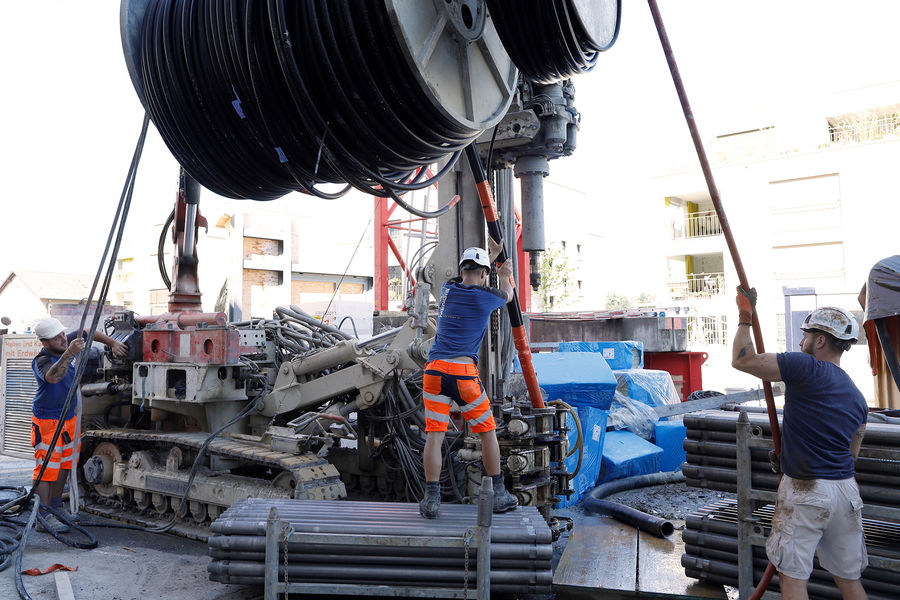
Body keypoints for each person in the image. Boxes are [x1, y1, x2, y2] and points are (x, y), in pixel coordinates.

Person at [731, 288, 868, 600]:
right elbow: (852, 454)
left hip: (807, 491)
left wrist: (745, 316)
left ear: (820, 341)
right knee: (849, 581)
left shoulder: (806, 367)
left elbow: (743, 360)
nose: (800, 342)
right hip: (846, 493)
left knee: (792, 579)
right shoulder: (858, 398)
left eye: (805, 336)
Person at [419, 240, 519, 518]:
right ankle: (498, 493)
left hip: (434, 372)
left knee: (434, 436)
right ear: (484, 274)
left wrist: (490, 258)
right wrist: (503, 272)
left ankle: (431, 499)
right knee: (487, 432)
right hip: (462, 375)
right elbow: (508, 295)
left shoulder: (448, 290)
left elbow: (467, 277)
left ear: (462, 269)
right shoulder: (485, 296)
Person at [31, 317, 127, 533]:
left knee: (65, 464)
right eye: (57, 337)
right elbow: (53, 377)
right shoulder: (41, 360)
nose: (63, 338)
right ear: (45, 342)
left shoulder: (66, 341)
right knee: (46, 469)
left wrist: (112, 343)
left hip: (68, 419)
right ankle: (43, 517)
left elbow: (86, 330)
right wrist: (70, 353)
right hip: (47, 421)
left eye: (63, 334)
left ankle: (56, 508)